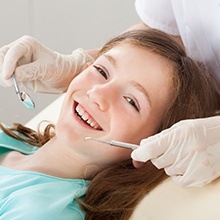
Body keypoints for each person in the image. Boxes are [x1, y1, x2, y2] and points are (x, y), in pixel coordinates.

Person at [0, 29, 219, 219]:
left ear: (153, 146)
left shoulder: (43, 212)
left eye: (131, 101)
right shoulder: (9, 142)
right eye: (102, 71)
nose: (98, 94)